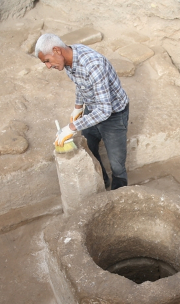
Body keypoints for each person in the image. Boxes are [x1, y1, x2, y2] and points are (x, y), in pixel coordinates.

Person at [35, 33, 130, 190]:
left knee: (117, 164)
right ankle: (103, 182)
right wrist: (78, 108)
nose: (48, 66)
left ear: (57, 50)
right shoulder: (69, 60)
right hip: (93, 109)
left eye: (47, 60)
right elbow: (81, 84)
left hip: (113, 114)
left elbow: (104, 110)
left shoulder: (93, 65)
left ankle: (119, 195)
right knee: (89, 147)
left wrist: (72, 127)